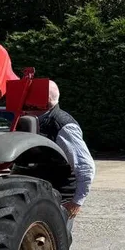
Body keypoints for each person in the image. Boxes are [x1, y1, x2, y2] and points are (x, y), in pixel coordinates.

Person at [38, 81, 95, 221]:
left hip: (59, 199)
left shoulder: (62, 125)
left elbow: (85, 167)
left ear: (46, 100)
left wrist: (76, 203)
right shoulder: (39, 120)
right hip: (40, 197)